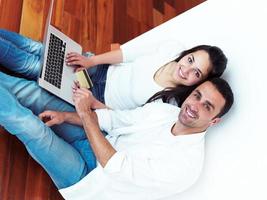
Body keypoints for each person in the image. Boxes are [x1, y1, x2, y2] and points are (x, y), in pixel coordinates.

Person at [0, 77, 234, 200]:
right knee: (37, 93)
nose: (194, 106)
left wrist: (85, 114)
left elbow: (115, 167)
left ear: (214, 121)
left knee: (31, 126)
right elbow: (118, 119)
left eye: (207, 106)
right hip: (98, 140)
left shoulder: (186, 166)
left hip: (91, 183)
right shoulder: (167, 111)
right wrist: (65, 116)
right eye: (196, 95)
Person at [0, 28, 227, 110]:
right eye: (190, 60)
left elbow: (124, 119)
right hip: (99, 69)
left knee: (32, 64)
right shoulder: (172, 48)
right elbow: (126, 54)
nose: (187, 70)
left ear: (199, 82)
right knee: (38, 48)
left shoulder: (169, 103)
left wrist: (93, 104)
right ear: (187, 53)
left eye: (196, 73)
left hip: (94, 95)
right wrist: (91, 61)